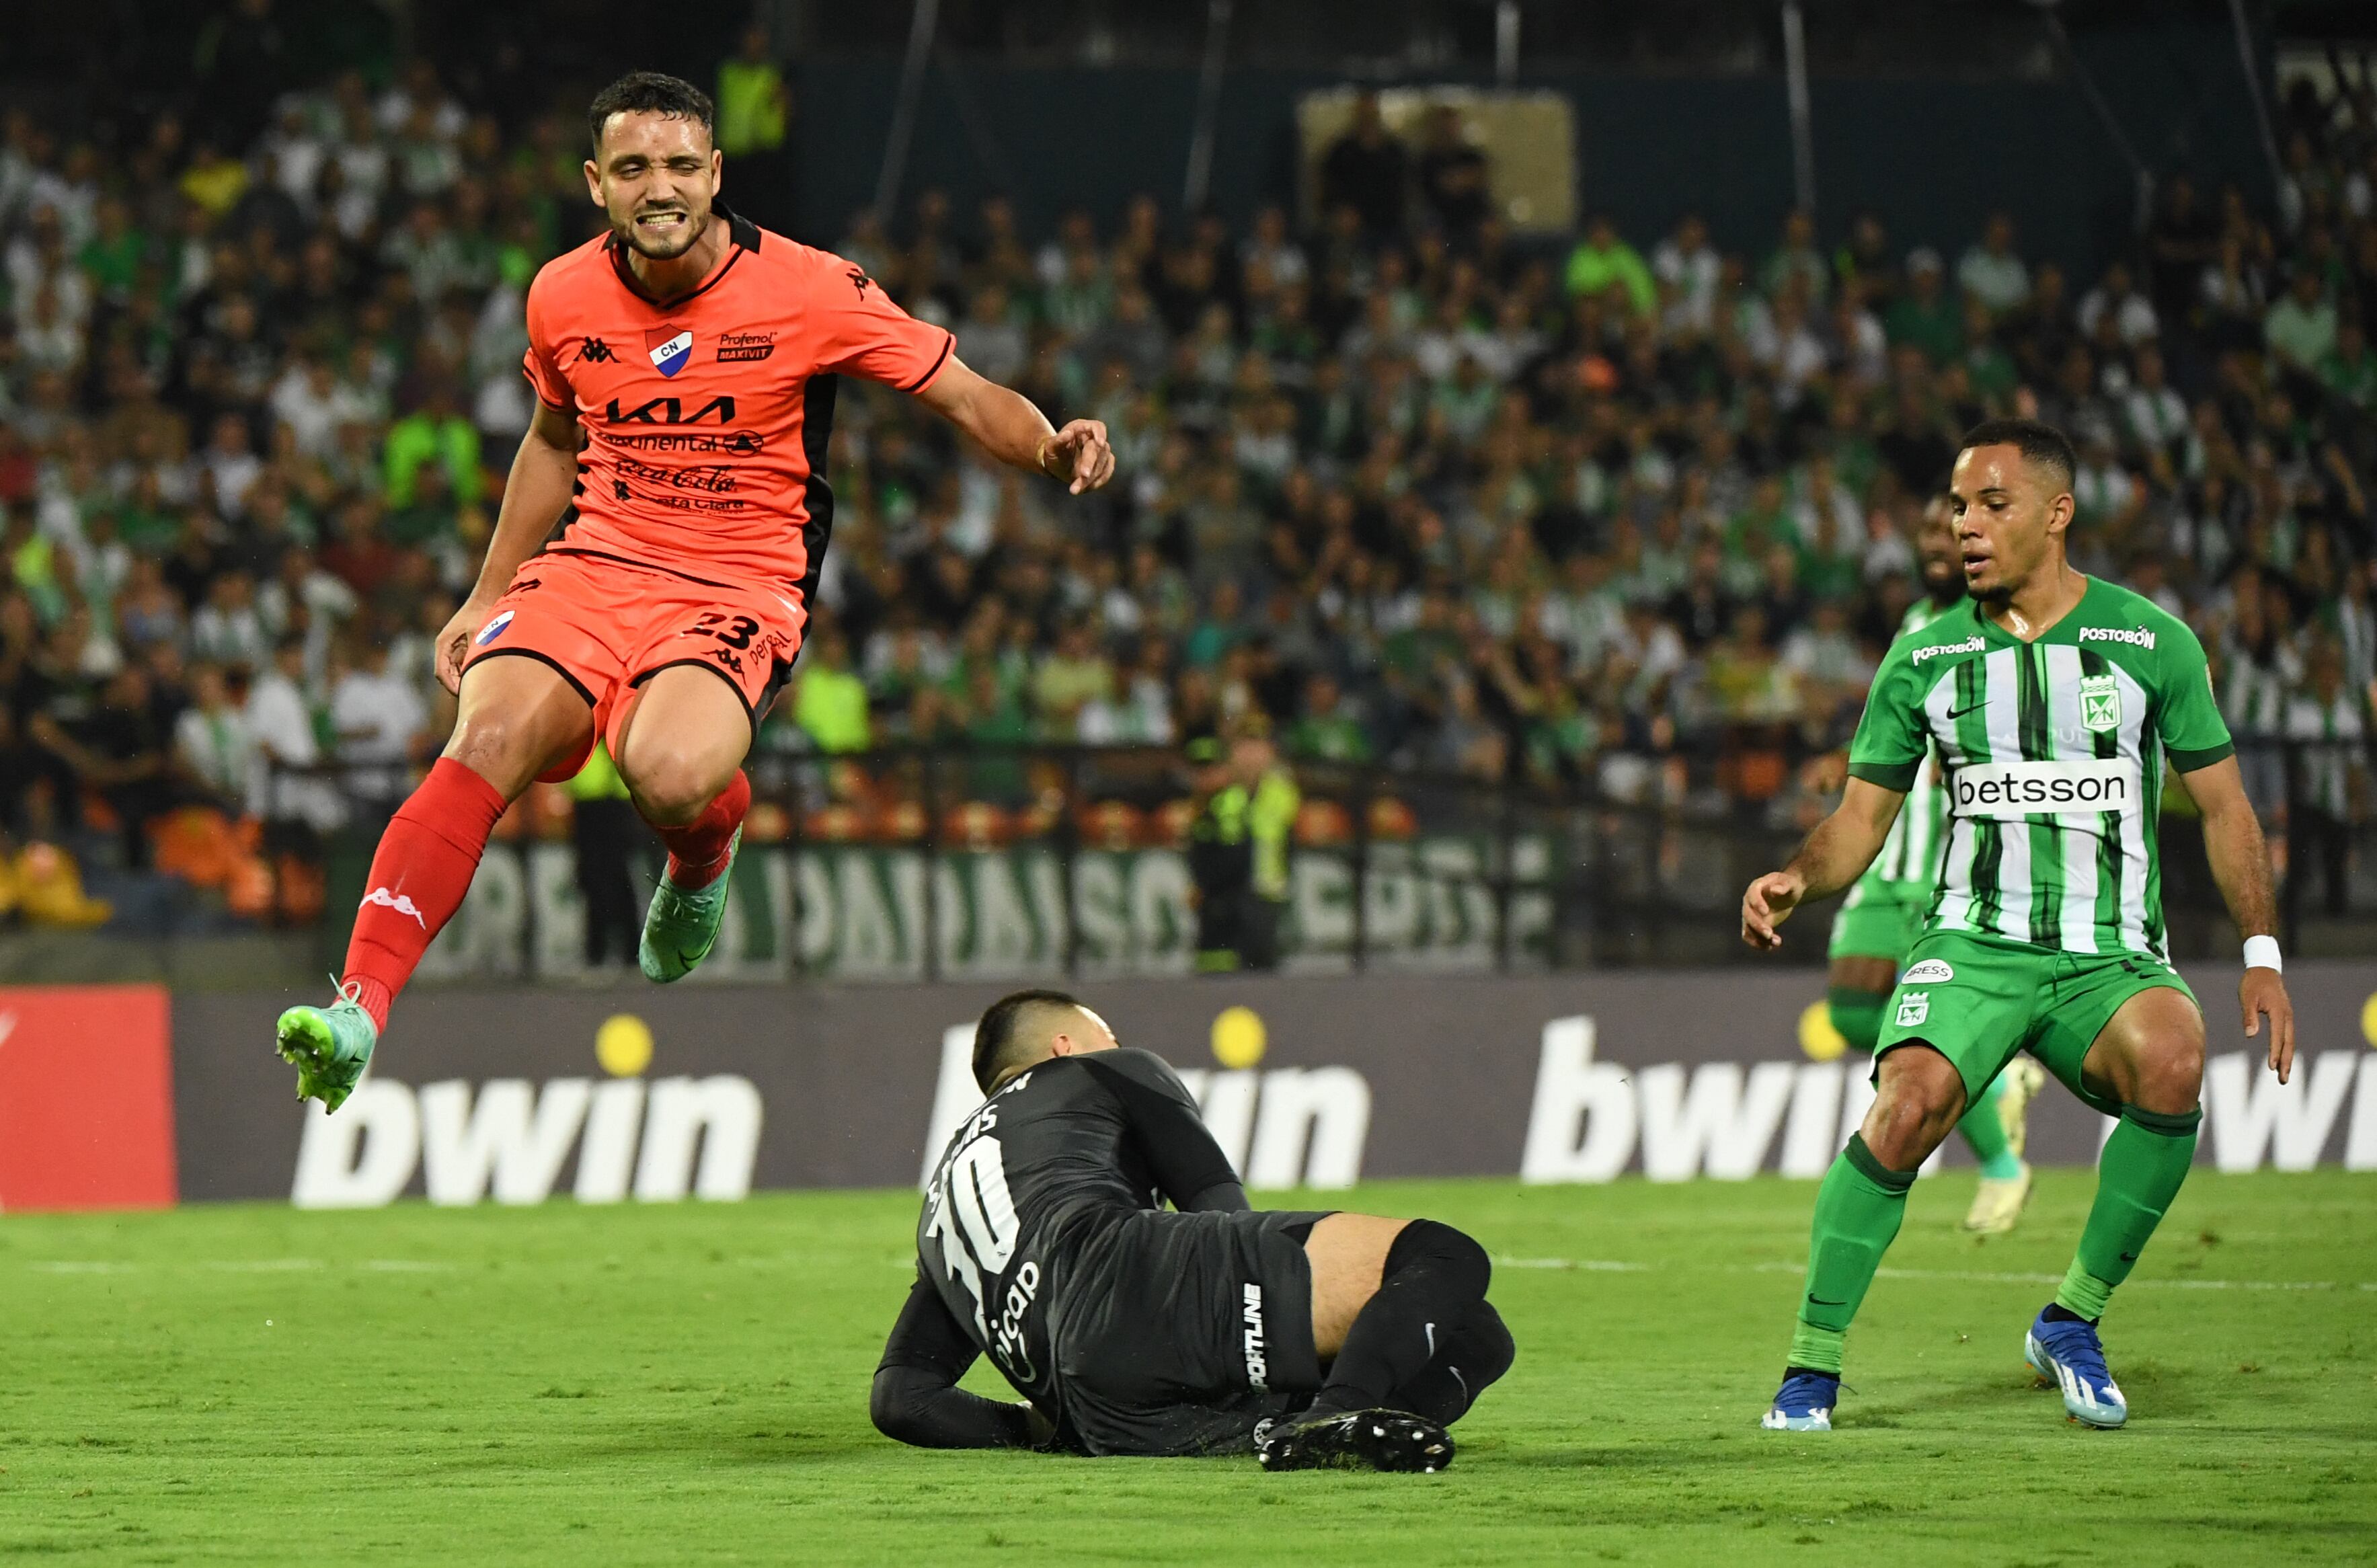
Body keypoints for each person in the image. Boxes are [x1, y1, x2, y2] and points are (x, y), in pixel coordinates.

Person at [275, 73, 1114, 1111]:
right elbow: (551, 438)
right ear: (597, 184)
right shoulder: (561, 294)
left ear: (715, 174)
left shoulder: (811, 289)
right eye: (633, 168)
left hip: (738, 579)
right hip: (593, 563)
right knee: (480, 739)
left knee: (668, 775)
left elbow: (960, 390)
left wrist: (1047, 445)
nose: (658, 187)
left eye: (680, 166)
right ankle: (358, 1010)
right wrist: (484, 592)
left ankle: (703, 850)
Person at [1740, 418, 2294, 1433]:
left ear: (2054, 514)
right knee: (1902, 1109)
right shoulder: (1923, 660)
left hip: (2109, 954)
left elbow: (2225, 809)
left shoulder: (2148, 643)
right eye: (1957, 506)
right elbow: (1858, 821)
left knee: (2173, 1061)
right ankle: (1807, 1371)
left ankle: (2068, 1319)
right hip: (1971, 943)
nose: (1965, 525)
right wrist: (1792, 878)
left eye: (1990, 504)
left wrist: (2259, 953)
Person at [871, 990, 1512, 1468]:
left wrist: (1043, 1426)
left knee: (1473, 1335)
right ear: (1064, 1046)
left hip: (1101, 1411)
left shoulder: (938, 1206)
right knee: (1439, 1255)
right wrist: (1273, 1306)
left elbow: (903, 1399)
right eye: (1105, 1033)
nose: (1116, 1043)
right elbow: (1220, 1207)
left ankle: (1329, 1434)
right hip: (1131, 1275)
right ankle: (1332, 1415)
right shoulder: (1107, 1069)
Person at [1821, 492, 2047, 1235]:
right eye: (1923, 528)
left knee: (1913, 1023)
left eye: (1948, 528)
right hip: (1889, 847)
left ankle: (2001, 1164)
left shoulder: (2002, 623)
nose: (1934, 541)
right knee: (1852, 1005)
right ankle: (1993, 1078)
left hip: (1949, 856)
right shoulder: (1918, 623)